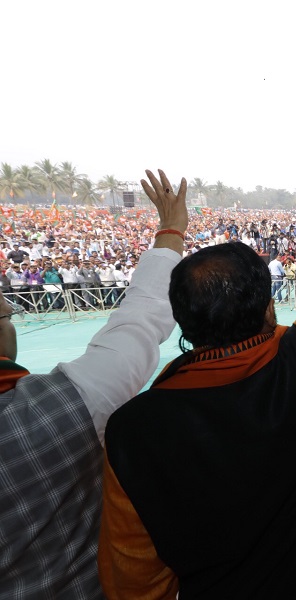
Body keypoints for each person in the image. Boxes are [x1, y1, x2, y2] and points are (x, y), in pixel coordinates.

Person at [99, 114, 296, 599]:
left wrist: (170, 232)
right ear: (268, 307)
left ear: (184, 321)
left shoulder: (134, 432)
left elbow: (133, 582)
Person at [0, 169, 185, 598]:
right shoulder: (56, 412)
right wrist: (171, 232)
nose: (11, 310)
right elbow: (139, 321)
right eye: (6, 313)